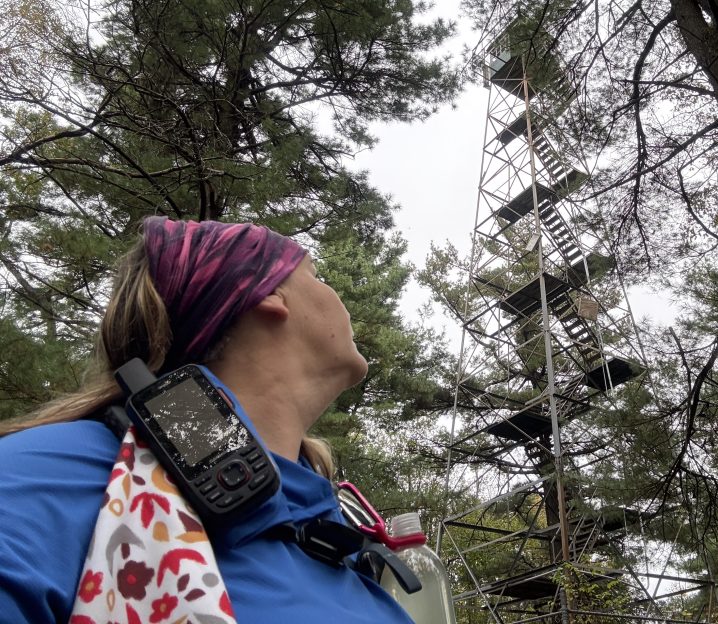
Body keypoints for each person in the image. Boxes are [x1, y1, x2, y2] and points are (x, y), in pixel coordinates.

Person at [0, 217, 414, 624]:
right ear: (269, 296)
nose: (333, 293)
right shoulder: (58, 477)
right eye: (316, 274)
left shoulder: (331, 533)